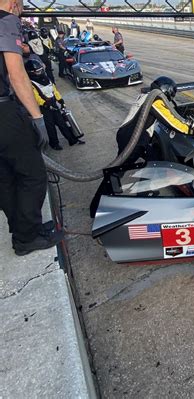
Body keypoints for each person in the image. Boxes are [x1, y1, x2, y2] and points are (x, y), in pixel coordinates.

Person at [0, 0, 63, 256]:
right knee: (33, 174)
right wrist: (37, 119)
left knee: (6, 177)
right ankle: (27, 238)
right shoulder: (6, 20)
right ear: (14, 3)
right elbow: (17, 74)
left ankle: (24, 230)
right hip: (3, 111)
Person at [90, 76, 194, 217]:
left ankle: (144, 191)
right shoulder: (154, 101)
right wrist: (191, 129)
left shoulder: (146, 95)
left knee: (154, 160)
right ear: (166, 90)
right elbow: (171, 121)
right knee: (116, 171)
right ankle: (95, 208)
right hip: (133, 139)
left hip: (129, 135)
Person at [25, 59, 85, 150]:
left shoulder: (46, 78)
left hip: (53, 103)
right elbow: (35, 96)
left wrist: (60, 100)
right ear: (31, 72)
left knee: (62, 123)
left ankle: (72, 140)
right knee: (50, 126)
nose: (40, 72)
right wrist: (45, 104)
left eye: (41, 70)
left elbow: (54, 90)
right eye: (37, 71)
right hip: (44, 107)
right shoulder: (31, 83)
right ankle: (54, 144)